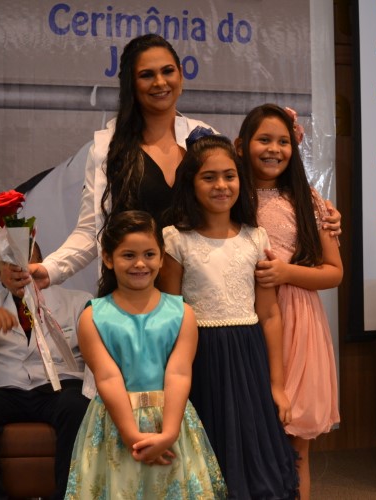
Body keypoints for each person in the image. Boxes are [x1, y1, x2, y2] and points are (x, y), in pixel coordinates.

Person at [27, 33, 342, 291]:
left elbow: (249, 197)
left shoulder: (204, 137)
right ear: (131, 84)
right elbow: (91, 231)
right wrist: (49, 270)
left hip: (201, 296)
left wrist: (321, 214)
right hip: (134, 296)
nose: (160, 82)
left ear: (180, 73)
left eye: (167, 71)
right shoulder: (108, 149)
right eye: (147, 75)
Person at [158, 130, 299, 499]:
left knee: (253, 452)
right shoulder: (176, 239)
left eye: (229, 176)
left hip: (249, 359)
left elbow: (269, 314)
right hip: (199, 357)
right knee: (207, 452)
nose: (221, 186)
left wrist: (277, 385)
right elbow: (169, 316)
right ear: (191, 183)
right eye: (209, 177)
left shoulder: (255, 238)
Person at [65, 210, 226, 499]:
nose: (140, 263)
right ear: (108, 258)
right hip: (116, 426)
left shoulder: (182, 313)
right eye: (128, 255)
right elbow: (107, 377)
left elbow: (179, 373)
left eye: (149, 254)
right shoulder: (93, 317)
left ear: (162, 258)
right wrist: (131, 436)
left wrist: (169, 434)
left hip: (171, 421)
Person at [235, 103, 343, 500]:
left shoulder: (309, 200)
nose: (274, 149)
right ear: (242, 145)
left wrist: (286, 273)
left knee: (296, 445)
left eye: (283, 141)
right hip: (245, 317)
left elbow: (334, 272)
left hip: (299, 320)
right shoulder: (230, 194)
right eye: (264, 139)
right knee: (248, 437)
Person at [0, 243, 92, 500]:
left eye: (24, 261)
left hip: (60, 387)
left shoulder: (77, 301)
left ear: (41, 264)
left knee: (77, 405)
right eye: (7, 264)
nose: (17, 269)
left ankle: (65, 496)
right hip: (10, 390)